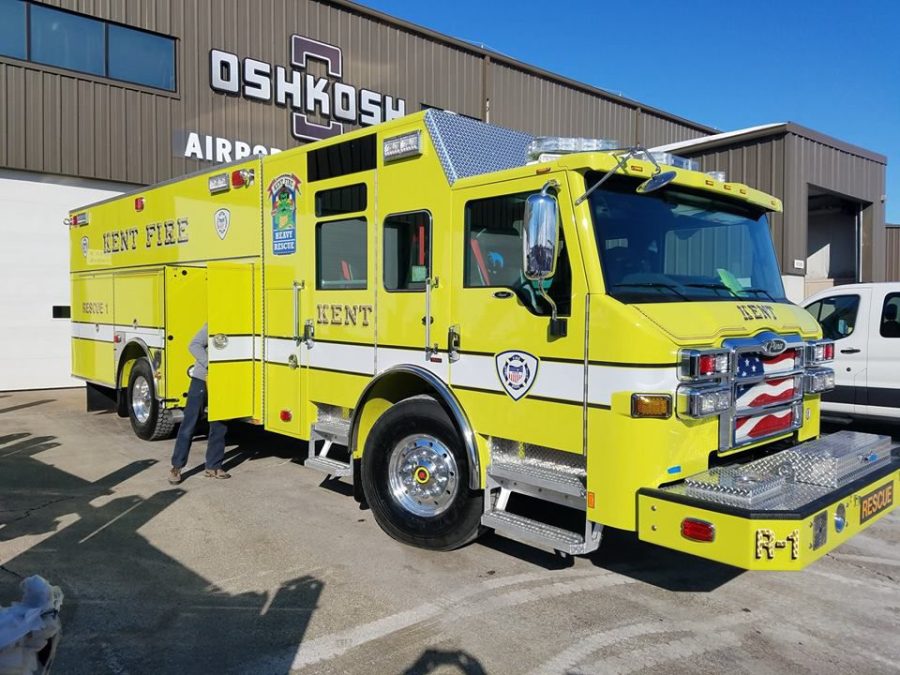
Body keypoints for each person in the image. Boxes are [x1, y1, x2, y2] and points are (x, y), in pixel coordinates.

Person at [168, 323, 230, 484]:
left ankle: (213, 466)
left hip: (222, 382)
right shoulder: (213, 322)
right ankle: (176, 467)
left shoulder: (237, 322)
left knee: (219, 424)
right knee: (190, 423)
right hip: (201, 380)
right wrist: (210, 364)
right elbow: (194, 345)